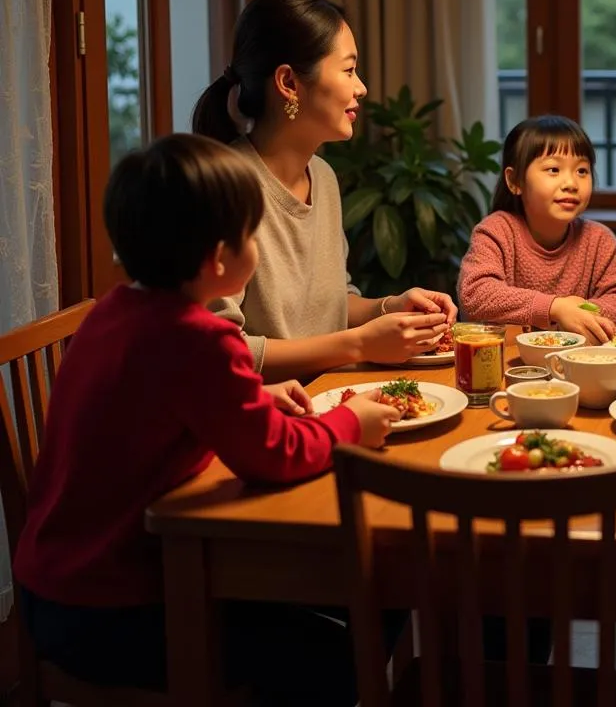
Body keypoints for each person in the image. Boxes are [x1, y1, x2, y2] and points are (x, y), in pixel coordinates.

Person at [14, 134, 403, 704]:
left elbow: (164, 407)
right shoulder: (199, 338)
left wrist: (261, 399)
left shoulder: (116, 311)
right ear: (218, 258)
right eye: (251, 234)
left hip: (51, 591)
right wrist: (351, 424)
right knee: (341, 647)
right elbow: (275, 456)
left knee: (358, 603)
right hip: (117, 607)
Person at [192, 0, 456, 382]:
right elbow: (219, 349)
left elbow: (332, 305)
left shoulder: (325, 177)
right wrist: (360, 344)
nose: (361, 88)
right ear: (289, 83)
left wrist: (392, 307)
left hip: (330, 395)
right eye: (349, 70)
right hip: (260, 418)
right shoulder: (223, 189)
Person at [458, 115, 616, 344]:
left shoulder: (599, 239)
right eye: (554, 169)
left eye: (582, 171)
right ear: (514, 181)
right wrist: (555, 308)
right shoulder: (496, 231)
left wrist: (577, 316)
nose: (571, 183)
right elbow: (476, 294)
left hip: (578, 363)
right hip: (505, 363)